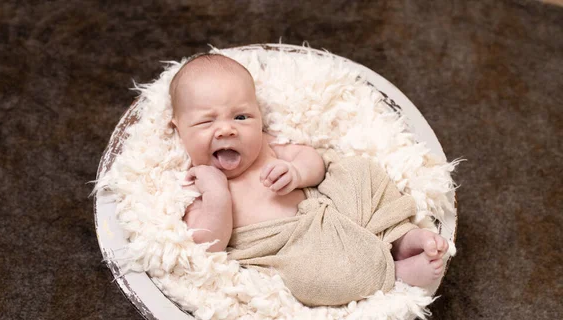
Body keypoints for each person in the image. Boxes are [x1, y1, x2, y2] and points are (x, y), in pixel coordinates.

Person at [170, 54, 448, 306]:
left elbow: (315, 162)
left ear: (259, 116)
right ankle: (395, 273)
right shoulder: (195, 183)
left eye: (241, 116)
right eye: (206, 122)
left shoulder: (267, 146)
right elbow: (207, 244)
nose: (227, 129)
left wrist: (297, 173)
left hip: (328, 210)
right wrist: (218, 195)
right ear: (178, 127)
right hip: (289, 249)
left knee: (357, 170)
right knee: (309, 279)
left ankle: (399, 237)